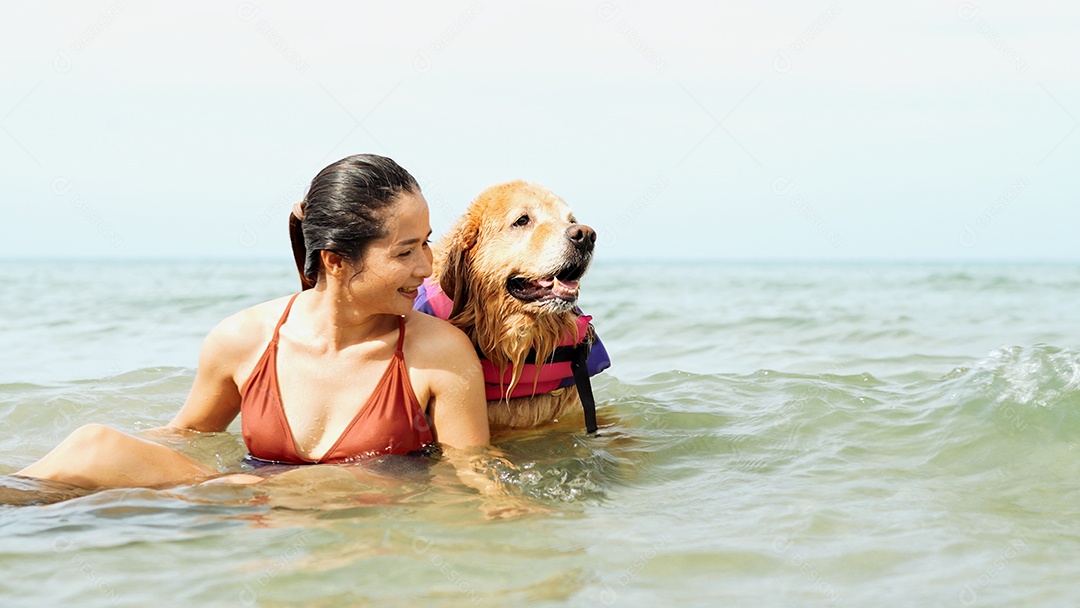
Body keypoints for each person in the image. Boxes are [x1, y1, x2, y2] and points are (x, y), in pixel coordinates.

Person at [15, 154, 490, 490]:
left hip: (366, 539)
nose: (427, 268)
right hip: (251, 523)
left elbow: (468, 473)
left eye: (426, 243)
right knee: (92, 446)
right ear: (335, 261)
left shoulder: (440, 354)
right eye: (405, 251)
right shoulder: (242, 340)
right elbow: (189, 433)